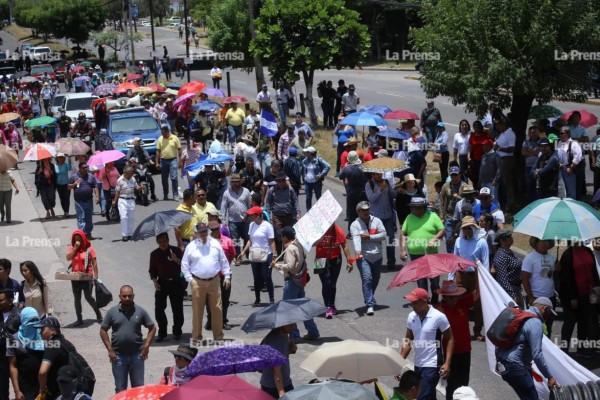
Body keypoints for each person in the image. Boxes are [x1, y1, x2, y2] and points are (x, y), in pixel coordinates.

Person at [495, 298, 559, 398]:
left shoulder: (520, 315)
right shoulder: (535, 323)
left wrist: (499, 361)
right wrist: (549, 377)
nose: (549, 316)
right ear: (544, 308)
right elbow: (537, 355)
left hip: (504, 364)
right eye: (549, 312)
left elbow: (500, 339)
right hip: (515, 366)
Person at [100, 285, 157, 393]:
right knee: (120, 388)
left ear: (133, 296)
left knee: (138, 388)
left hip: (137, 356)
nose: (127, 298)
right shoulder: (112, 312)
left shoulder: (140, 311)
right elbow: (103, 330)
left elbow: (152, 328)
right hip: (118, 357)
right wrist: (110, 350)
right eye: (124, 296)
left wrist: (146, 346)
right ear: (119, 296)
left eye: (129, 296)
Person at [181, 223, 231, 343]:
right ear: (196, 233)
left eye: (205, 231)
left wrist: (227, 276)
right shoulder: (191, 247)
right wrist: (190, 280)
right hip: (197, 282)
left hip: (214, 281)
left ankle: (218, 337)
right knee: (198, 311)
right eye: (201, 232)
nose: (204, 234)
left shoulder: (215, 244)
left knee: (217, 310)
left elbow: (223, 261)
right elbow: (184, 265)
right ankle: (197, 338)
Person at [401, 288, 453, 400]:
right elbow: (408, 341)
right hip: (418, 363)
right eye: (412, 303)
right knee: (428, 396)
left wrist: (447, 363)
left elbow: (449, 339)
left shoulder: (438, 317)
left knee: (422, 396)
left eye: (416, 303)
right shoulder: (411, 317)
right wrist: (398, 361)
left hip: (432, 365)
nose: (413, 306)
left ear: (425, 302)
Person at [274, 226, 320, 341]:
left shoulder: (290, 249)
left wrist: (277, 265)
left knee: (289, 310)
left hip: (291, 282)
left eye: (282, 236)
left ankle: (294, 335)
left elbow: (289, 266)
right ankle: (312, 331)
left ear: (285, 237)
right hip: (300, 280)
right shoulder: (298, 245)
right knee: (303, 307)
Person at [435, 281, 477, 400]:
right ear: (444, 297)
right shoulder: (438, 311)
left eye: (456, 296)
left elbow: (478, 292)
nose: (455, 300)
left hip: (465, 351)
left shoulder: (462, 303)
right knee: (451, 386)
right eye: (451, 297)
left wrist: (477, 271)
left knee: (464, 385)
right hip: (449, 355)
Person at [400, 197, 445, 304]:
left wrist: (434, 239)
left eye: (416, 208)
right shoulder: (409, 217)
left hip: (431, 254)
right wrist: (403, 250)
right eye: (412, 208)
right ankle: (424, 300)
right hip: (415, 255)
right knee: (420, 279)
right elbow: (403, 233)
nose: (413, 210)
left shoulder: (433, 216)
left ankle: (435, 295)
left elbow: (442, 230)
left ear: (423, 208)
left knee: (434, 278)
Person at [36, 317, 93, 400]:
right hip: (71, 389)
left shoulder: (52, 346)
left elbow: (42, 372)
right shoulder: (66, 343)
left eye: (42, 329)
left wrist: (42, 387)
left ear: (52, 331)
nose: (40, 333)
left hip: (58, 392)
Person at [559, 241, 599, 357]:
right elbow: (566, 279)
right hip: (572, 296)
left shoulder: (587, 251)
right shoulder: (567, 255)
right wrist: (572, 298)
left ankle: (581, 349)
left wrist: (597, 289)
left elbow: (593, 271)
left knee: (584, 322)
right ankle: (564, 350)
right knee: (570, 323)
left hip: (588, 294)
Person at [452, 216, 488, 341]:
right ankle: (463, 330)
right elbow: (454, 259)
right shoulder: (458, 241)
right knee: (460, 304)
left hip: (475, 276)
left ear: (474, 228)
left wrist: (485, 280)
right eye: (465, 228)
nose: (467, 231)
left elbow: (485, 262)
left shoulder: (481, 242)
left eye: (469, 228)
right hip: (461, 275)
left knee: (478, 304)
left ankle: (477, 330)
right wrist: (451, 278)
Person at [350, 201, 387, 316]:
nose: (366, 212)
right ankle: (369, 304)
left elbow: (384, 235)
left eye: (367, 210)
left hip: (377, 255)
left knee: (375, 279)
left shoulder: (377, 221)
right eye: (363, 210)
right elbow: (356, 239)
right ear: (358, 212)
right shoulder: (354, 225)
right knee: (367, 279)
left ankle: (370, 296)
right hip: (363, 256)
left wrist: (369, 237)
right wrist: (358, 252)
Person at [149, 233, 185, 342]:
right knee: (159, 309)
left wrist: (176, 259)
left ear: (168, 240)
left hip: (176, 282)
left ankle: (177, 331)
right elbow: (152, 270)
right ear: (157, 242)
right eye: (160, 242)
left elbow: (185, 266)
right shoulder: (154, 254)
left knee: (177, 309)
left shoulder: (176, 251)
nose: (163, 243)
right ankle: (162, 332)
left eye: (164, 241)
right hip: (162, 283)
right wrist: (154, 281)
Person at [238, 206, 277, 305]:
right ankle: (257, 299)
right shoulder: (251, 225)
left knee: (267, 277)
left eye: (252, 215)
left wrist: (274, 255)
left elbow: (272, 241)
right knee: (256, 278)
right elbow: (250, 240)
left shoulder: (267, 226)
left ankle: (271, 299)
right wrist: (243, 252)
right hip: (255, 255)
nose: (250, 217)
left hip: (266, 254)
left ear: (258, 215)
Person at [314, 223, 353, 319]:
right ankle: (327, 307)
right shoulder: (318, 230)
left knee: (332, 284)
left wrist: (349, 261)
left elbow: (345, 246)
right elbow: (311, 244)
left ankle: (332, 304)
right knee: (325, 283)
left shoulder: (338, 230)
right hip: (319, 259)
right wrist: (320, 238)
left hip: (336, 259)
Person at [7, 306, 45, 400]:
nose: (34, 324)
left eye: (36, 320)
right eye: (30, 321)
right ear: (23, 321)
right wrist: (17, 391)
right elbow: (13, 366)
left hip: (43, 384)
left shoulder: (42, 336)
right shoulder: (14, 339)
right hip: (25, 385)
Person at [522, 237, 557, 336]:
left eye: (547, 241)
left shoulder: (553, 258)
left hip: (550, 297)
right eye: (542, 241)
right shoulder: (530, 257)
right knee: (535, 327)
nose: (544, 244)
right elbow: (525, 278)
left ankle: (546, 350)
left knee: (548, 326)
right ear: (536, 243)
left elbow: (551, 275)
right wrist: (531, 296)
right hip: (536, 297)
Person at [66, 230, 102, 325]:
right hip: (75, 278)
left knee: (88, 297)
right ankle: (79, 319)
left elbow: (94, 263)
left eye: (79, 237)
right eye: (75, 238)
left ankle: (98, 313)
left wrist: (96, 277)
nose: (77, 239)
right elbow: (68, 258)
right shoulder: (71, 248)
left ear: (83, 238)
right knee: (77, 299)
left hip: (87, 277)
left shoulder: (89, 249)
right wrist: (75, 248)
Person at [205, 220, 235, 331]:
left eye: (216, 229)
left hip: (224, 275)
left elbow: (232, 255)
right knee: (209, 299)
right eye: (212, 230)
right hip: (210, 275)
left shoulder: (228, 241)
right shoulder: (205, 242)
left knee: (225, 299)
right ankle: (210, 319)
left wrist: (225, 267)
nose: (214, 231)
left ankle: (223, 320)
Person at [260, 324, 296, 397]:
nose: (292, 326)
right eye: (289, 324)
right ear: (282, 324)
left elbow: (283, 353)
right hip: (273, 387)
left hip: (285, 382)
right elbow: (276, 369)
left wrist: (291, 348)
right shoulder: (275, 340)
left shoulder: (284, 334)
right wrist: (281, 391)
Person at [492, 230, 523, 307]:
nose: (511, 238)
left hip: (516, 289)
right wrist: (512, 295)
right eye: (509, 237)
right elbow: (503, 278)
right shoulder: (501, 256)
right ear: (502, 240)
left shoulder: (509, 252)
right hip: (508, 292)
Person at [68, 163, 99, 239]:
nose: (85, 169)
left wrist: (97, 196)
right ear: (79, 168)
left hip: (89, 201)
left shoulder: (91, 177)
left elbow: (95, 186)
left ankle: (88, 233)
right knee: (81, 218)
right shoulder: (74, 176)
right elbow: (68, 186)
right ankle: (82, 235)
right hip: (79, 201)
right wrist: (74, 184)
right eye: (83, 168)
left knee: (88, 219)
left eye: (86, 167)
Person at [493, 117, 517, 212]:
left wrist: (499, 148)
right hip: (499, 158)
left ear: (504, 124)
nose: (497, 126)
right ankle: (504, 201)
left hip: (506, 160)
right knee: (502, 182)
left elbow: (511, 149)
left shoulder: (510, 134)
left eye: (499, 124)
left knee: (507, 182)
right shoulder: (502, 134)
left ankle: (511, 203)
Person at [112, 165, 139, 242]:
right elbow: (117, 191)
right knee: (124, 217)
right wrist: (115, 201)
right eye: (130, 173)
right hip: (122, 200)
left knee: (131, 218)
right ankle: (124, 235)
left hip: (131, 199)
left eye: (132, 173)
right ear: (126, 173)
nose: (131, 174)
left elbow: (136, 186)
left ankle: (130, 234)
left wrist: (139, 188)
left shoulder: (132, 179)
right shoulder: (120, 180)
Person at [156, 124, 182, 201]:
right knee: (164, 179)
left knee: (174, 178)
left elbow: (179, 150)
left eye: (163, 133)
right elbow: (158, 151)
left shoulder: (175, 138)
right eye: (162, 133)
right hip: (163, 161)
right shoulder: (160, 139)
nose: (162, 134)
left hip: (172, 160)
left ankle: (175, 195)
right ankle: (165, 194)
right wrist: (157, 162)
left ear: (167, 132)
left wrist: (180, 160)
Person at [522, 126, 542, 203]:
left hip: (539, 167)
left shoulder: (542, 141)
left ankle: (539, 203)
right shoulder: (526, 142)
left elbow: (541, 152)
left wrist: (530, 152)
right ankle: (531, 204)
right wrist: (534, 152)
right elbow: (523, 153)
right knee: (530, 187)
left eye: (534, 132)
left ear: (538, 132)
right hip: (528, 168)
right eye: (531, 132)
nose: (533, 134)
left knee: (539, 187)